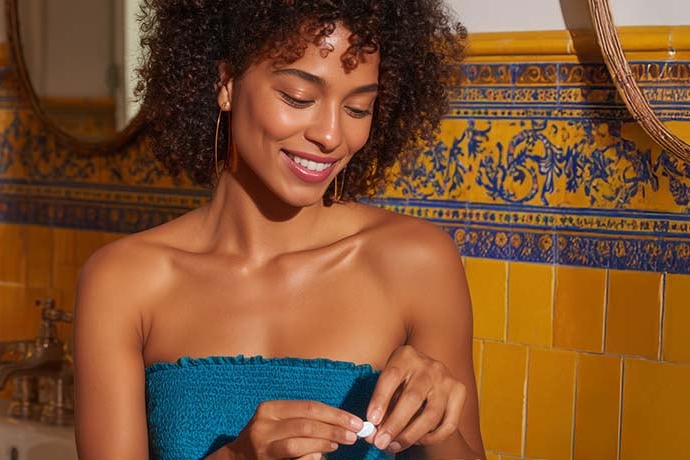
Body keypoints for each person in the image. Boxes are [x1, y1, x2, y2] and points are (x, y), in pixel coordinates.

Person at [73, 1, 483, 458]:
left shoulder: (417, 263)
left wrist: (438, 427)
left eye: (358, 107)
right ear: (226, 83)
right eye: (298, 98)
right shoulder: (123, 282)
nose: (331, 135)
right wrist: (237, 457)